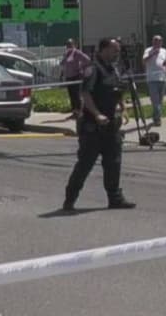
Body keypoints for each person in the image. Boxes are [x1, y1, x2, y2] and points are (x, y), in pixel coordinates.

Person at [63, 38, 136, 212]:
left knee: (114, 163)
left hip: (111, 126)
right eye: (114, 50)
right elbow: (85, 94)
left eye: (118, 50)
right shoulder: (93, 69)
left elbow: (116, 91)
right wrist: (97, 114)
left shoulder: (114, 69)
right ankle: (70, 199)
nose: (117, 53)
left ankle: (115, 198)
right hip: (93, 128)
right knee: (85, 165)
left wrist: (123, 107)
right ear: (103, 50)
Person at [142, 36, 166, 127]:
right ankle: (158, 119)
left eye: (159, 41)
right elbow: (143, 61)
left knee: (160, 101)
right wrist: (152, 54)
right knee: (155, 101)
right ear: (152, 42)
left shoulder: (164, 51)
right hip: (152, 80)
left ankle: (155, 117)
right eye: (155, 41)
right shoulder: (148, 50)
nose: (157, 43)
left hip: (163, 79)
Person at [59, 39, 90, 119]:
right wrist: (62, 75)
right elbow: (63, 64)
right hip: (68, 77)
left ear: (74, 45)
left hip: (76, 76)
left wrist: (81, 68)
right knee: (71, 95)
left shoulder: (77, 52)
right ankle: (74, 112)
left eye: (70, 44)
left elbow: (87, 60)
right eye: (67, 44)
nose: (68, 46)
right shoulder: (67, 54)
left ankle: (80, 112)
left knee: (77, 95)